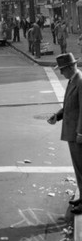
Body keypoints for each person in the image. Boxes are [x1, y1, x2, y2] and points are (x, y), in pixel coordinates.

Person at [47, 53, 82, 214]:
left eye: (62, 70)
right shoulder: (72, 80)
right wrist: (58, 115)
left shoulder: (80, 82)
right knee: (78, 168)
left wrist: (80, 133)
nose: (61, 73)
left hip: (78, 134)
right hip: (72, 132)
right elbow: (70, 105)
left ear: (69, 67)